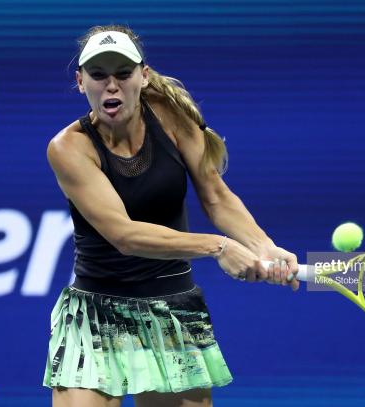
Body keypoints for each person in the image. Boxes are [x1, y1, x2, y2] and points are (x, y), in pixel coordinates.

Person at [42, 24, 300, 407]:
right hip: (93, 315)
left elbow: (216, 197)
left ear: (143, 77)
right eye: (98, 75)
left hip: (172, 313)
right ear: (81, 82)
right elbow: (124, 235)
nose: (111, 85)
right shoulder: (68, 148)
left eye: (123, 73)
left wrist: (264, 246)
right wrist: (218, 247)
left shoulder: (171, 118)